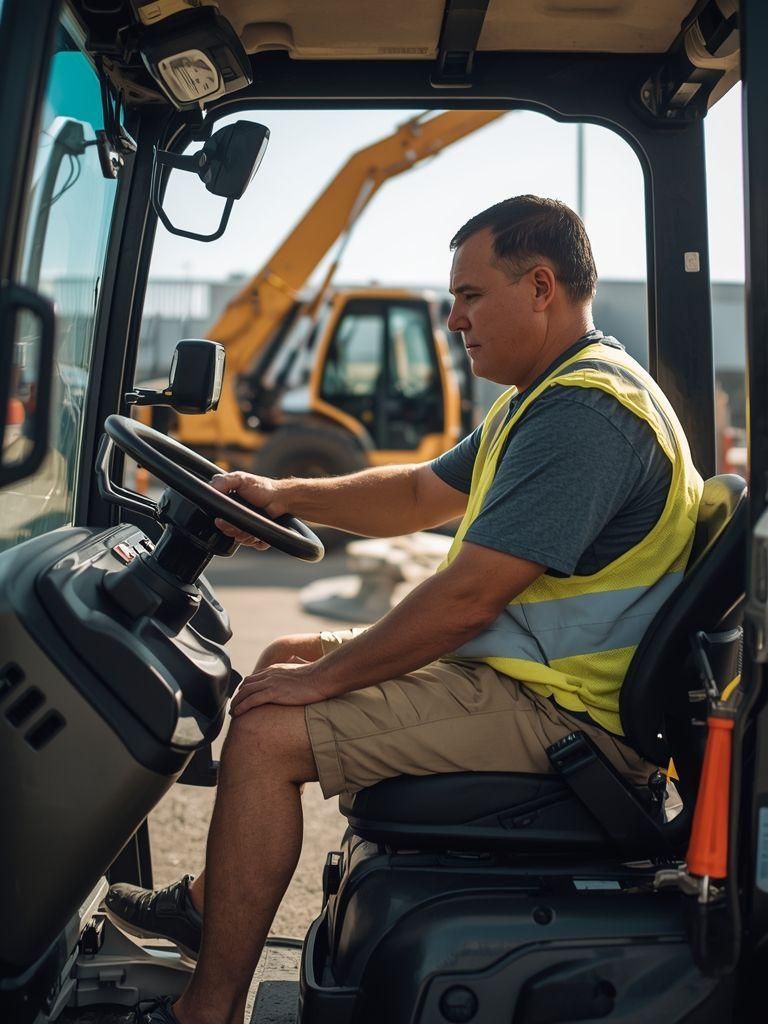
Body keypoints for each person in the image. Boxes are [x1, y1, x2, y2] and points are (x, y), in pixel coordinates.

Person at [107, 196, 703, 1024]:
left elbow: (465, 601)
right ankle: (211, 904)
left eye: (468, 295)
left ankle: (205, 1010)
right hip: (522, 676)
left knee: (270, 728)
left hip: (565, 716)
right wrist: (282, 493)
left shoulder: (586, 413)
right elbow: (421, 492)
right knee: (283, 656)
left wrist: (328, 682)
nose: (453, 318)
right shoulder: (542, 394)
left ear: (540, 286)